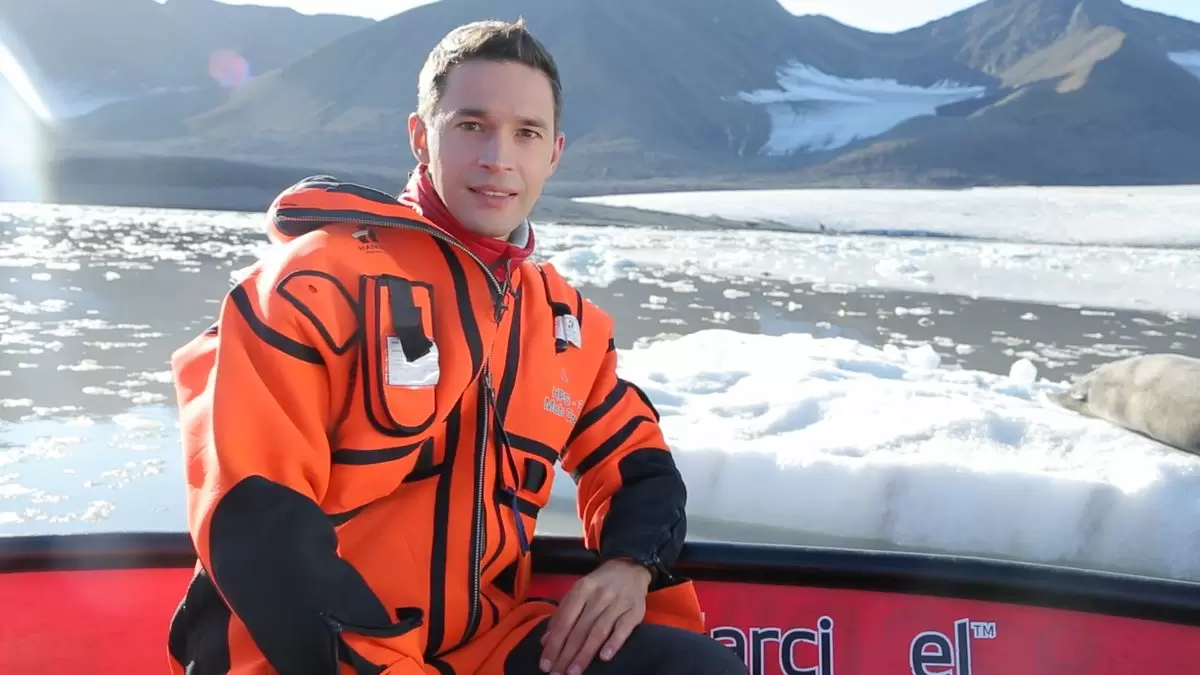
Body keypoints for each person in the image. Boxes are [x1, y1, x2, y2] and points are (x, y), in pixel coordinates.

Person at [165, 17, 748, 675]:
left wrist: (629, 564)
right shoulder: (312, 287)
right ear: (421, 136)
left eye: (526, 133)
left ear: (554, 153)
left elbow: (639, 469)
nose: (499, 157)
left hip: (481, 649)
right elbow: (256, 522)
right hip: (305, 657)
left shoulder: (562, 324)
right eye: (472, 125)